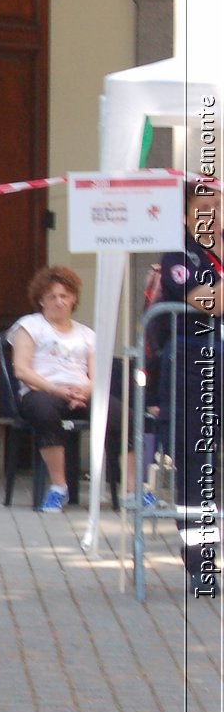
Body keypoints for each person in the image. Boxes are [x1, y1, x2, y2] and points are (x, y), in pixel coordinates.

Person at [7, 265, 125, 513]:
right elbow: (21, 370)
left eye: (64, 296)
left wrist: (85, 391)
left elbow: (99, 374)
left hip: (80, 393)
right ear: (41, 300)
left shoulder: (87, 334)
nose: (59, 302)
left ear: (74, 299)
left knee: (122, 415)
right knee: (44, 412)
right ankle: (58, 488)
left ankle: (133, 491)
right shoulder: (29, 326)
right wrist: (56, 390)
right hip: (41, 391)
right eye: (52, 296)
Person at [155, 178, 220, 595]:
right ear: (185, 214)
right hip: (193, 365)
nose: (214, 212)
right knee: (196, 466)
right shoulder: (180, 253)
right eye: (205, 204)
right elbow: (203, 299)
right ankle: (201, 562)